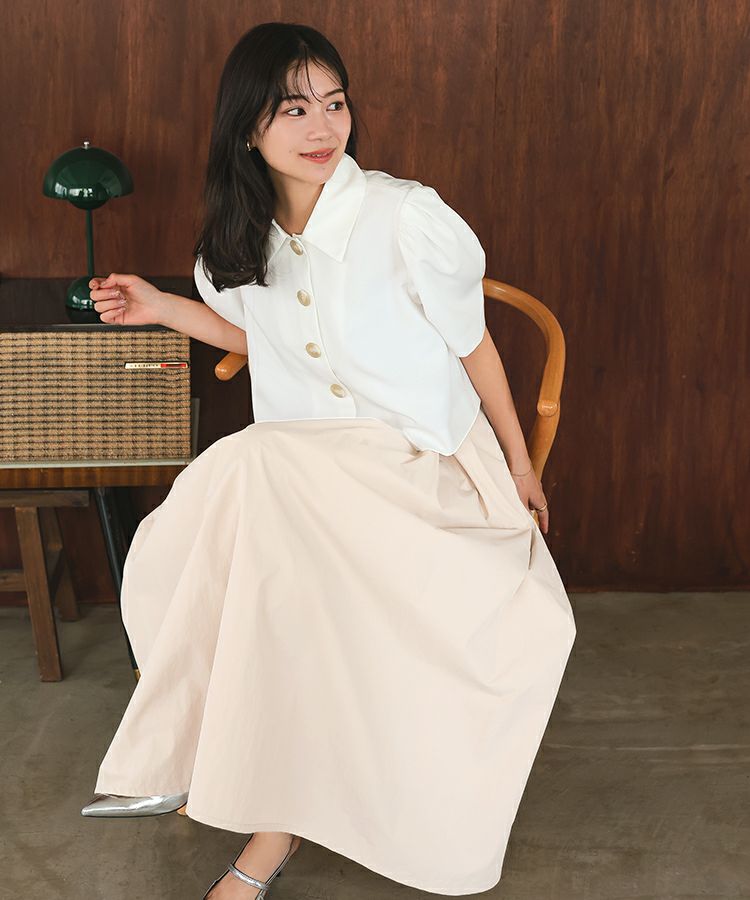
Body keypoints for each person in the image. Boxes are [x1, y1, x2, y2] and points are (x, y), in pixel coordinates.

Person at [80, 21, 576, 900]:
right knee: (250, 533)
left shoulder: (405, 217)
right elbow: (263, 340)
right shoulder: (236, 244)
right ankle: (238, 793)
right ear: (248, 129)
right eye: (294, 109)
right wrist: (162, 307)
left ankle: (201, 783)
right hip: (311, 483)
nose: (323, 127)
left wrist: (519, 465)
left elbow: (475, 347)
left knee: (249, 475)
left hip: (419, 473)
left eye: (335, 103)